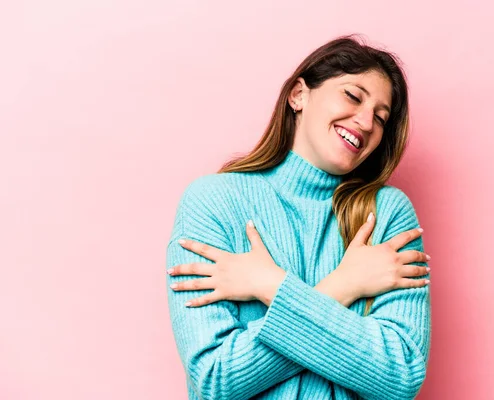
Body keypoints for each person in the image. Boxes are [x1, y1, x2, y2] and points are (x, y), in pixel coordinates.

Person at [165, 34, 432, 400]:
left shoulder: (385, 213)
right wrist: (344, 286)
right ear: (298, 95)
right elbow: (214, 379)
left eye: (381, 118)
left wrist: (269, 285)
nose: (367, 121)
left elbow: (400, 375)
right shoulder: (213, 201)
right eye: (353, 96)